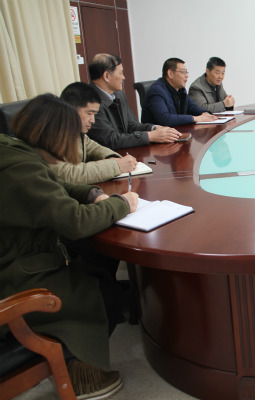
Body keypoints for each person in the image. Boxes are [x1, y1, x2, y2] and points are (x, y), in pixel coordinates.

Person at [0, 94, 139, 398]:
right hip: (16, 277)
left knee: (94, 262)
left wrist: (91, 194)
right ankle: (81, 373)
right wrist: (121, 204)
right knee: (100, 290)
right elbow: (75, 221)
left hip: (17, 257)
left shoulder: (14, 151)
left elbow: (54, 185)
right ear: (56, 135)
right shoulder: (20, 169)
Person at [87, 53, 181, 150]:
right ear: (106, 76)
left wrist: (155, 128)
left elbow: (131, 125)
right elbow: (110, 140)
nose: (123, 77)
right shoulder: (90, 101)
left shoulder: (119, 94)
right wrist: (151, 136)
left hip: (126, 151)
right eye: (120, 73)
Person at [51, 81, 137, 184]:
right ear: (71, 110)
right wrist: (116, 166)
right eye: (89, 113)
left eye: (94, 114)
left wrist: (113, 158)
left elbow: (92, 147)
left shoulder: (74, 130)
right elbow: (69, 174)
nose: (93, 120)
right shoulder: (51, 134)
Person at [141, 57, 217, 126]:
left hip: (177, 131)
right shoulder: (157, 91)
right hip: (159, 135)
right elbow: (165, 119)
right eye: (183, 72)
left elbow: (192, 107)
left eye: (187, 72)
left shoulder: (180, 90)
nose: (187, 75)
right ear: (170, 74)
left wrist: (204, 113)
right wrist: (195, 118)